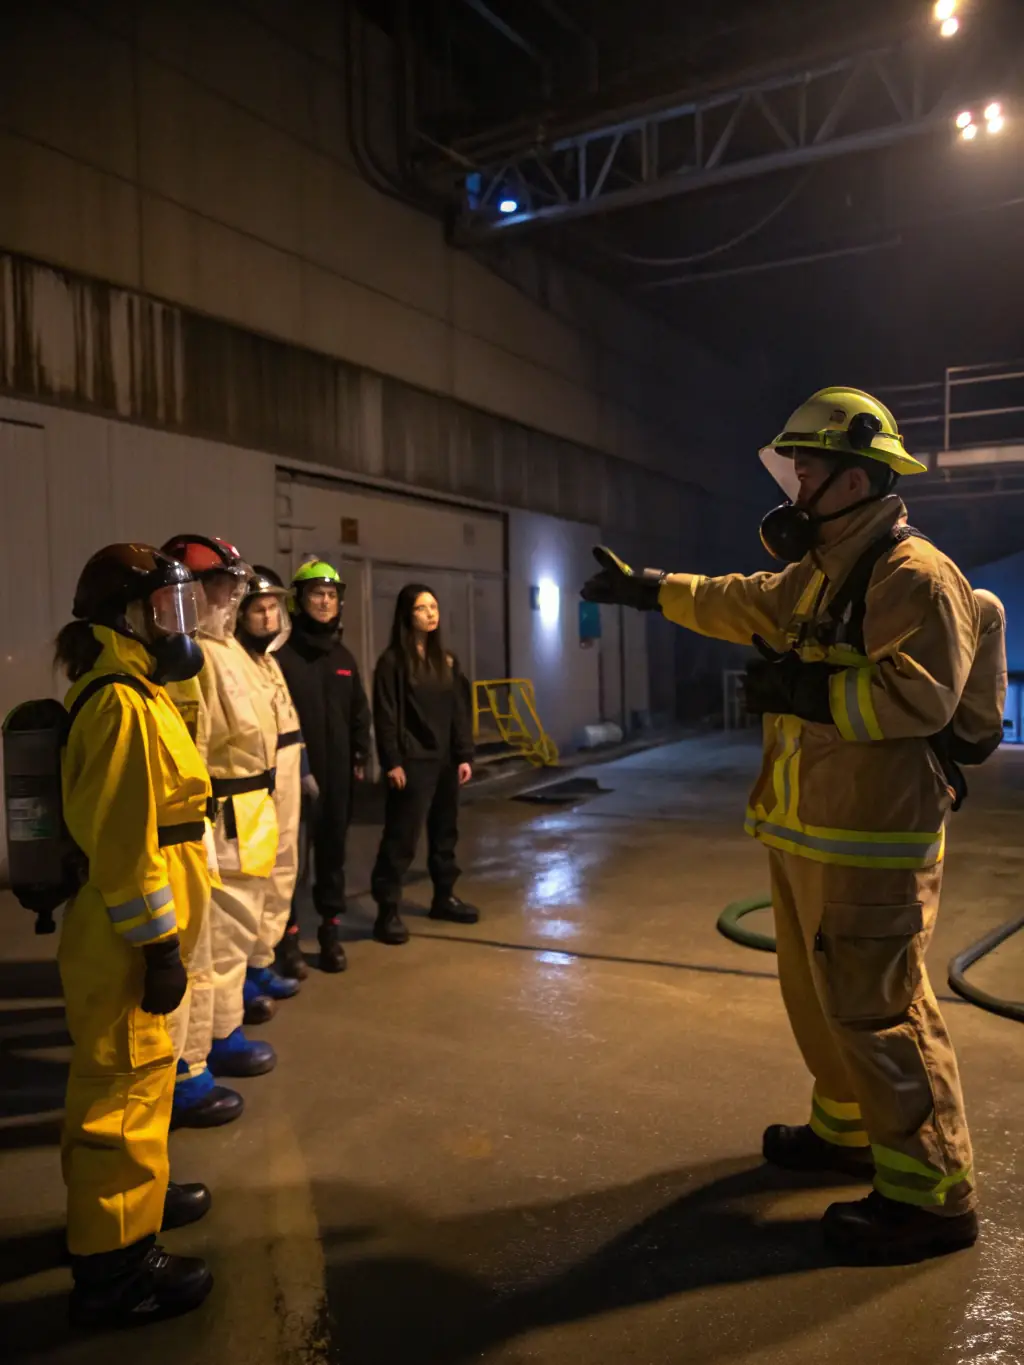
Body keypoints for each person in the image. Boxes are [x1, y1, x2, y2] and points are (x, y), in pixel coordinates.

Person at [582, 387, 986, 1263]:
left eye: (807, 462)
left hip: (872, 839)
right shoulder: (824, 566)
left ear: (856, 475)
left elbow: (921, 693)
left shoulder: (912, 575)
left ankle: (934, 1192)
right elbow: (747, 598)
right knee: (820, 1002)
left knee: (881, 1011)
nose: (794, 477)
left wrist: (808, 692)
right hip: (808, 829)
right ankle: (847, 1132)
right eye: (793, 462)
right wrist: (652, 590)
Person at [55, 543, 214, 1326]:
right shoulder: (119, 702)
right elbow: (124, 849)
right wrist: (158, 948)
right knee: (121, 1095)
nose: (175, 627)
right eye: (161, 612)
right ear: (121, 617)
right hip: (127, 941)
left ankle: (133, 1213)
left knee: (140, 1085)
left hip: (140, 936)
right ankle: (115, 1271)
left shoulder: (141, 691)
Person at [161, 535, 283, 1082]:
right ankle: (204, 1049)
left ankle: (220, 1032)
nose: (230, 598)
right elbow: (196, 753)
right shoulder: (195, 658)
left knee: (235, 933)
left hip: (251, 813)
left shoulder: (227, 648)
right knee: (215, 942)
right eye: (219, 586)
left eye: (232, 586)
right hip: (226, 818)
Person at [275, 560, 371, 974]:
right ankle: (289, 939)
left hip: (336, 779)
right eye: (317, 594)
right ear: (298, 600)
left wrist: (360, 756)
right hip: (292, 778)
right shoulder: (282, 659)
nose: (326, 602)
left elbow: (359, 714)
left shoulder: (344, 657)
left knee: (332, 858)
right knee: (291, 863)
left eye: (332, 595)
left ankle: (329, 933)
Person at [369, 583, 477, 945]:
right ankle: (387, 911)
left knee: (445, 833)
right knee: (402, 837)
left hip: (445, 761)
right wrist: (392, 761)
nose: (430, 613)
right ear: (406, 615)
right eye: (421, 608)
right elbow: (385, 714)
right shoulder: (393, 662)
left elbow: (459, 712)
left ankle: (444, 897)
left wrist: (464, 755)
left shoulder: (446, 660)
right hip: (413, 762)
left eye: (434, 606)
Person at [236, 566, 304, 992]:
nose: (268, 617)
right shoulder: (233, 664)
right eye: (258, 609)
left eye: (272, 608)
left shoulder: (270, 664)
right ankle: (239, 974)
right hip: (253, 789)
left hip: (287, 780)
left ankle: (262, 960)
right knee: (252, 878)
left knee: (282, 871)